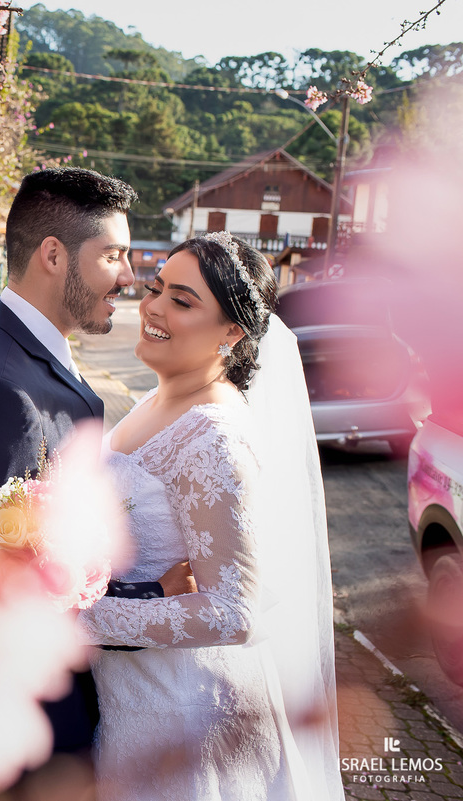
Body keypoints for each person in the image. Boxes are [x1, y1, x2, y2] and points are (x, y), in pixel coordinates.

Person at [0, 167, 193, 759]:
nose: (129, 276)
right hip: (26, 725)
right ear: (53, 255)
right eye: (113, 256)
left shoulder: (5, 345)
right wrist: (151, 596)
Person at [77, 232, 343, 799]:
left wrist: (79, 618)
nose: (152, 308)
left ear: (232, 333)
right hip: (133, 698)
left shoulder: (214, 436)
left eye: (182, 300)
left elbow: (232, 612)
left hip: (183, 719)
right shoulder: (157, 398)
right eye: (156, 289)